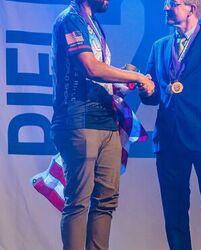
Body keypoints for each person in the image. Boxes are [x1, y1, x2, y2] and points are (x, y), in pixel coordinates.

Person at [50, 0, 154, 249]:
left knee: (106, 200)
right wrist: (136, 76)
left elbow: (100, 77)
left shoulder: (93, 23)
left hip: (107, 121)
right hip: (78, 119)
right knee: (78, 201)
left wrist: (121, 84)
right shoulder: (70, 19)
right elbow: (91, 68)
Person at [139, 0, 201, 250]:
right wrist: (147, 89)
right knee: (174, 216)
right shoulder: (159, 46)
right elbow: (151, 97)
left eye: (171, 3)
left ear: (191, 8)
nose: (165, 8)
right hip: (169, 139)